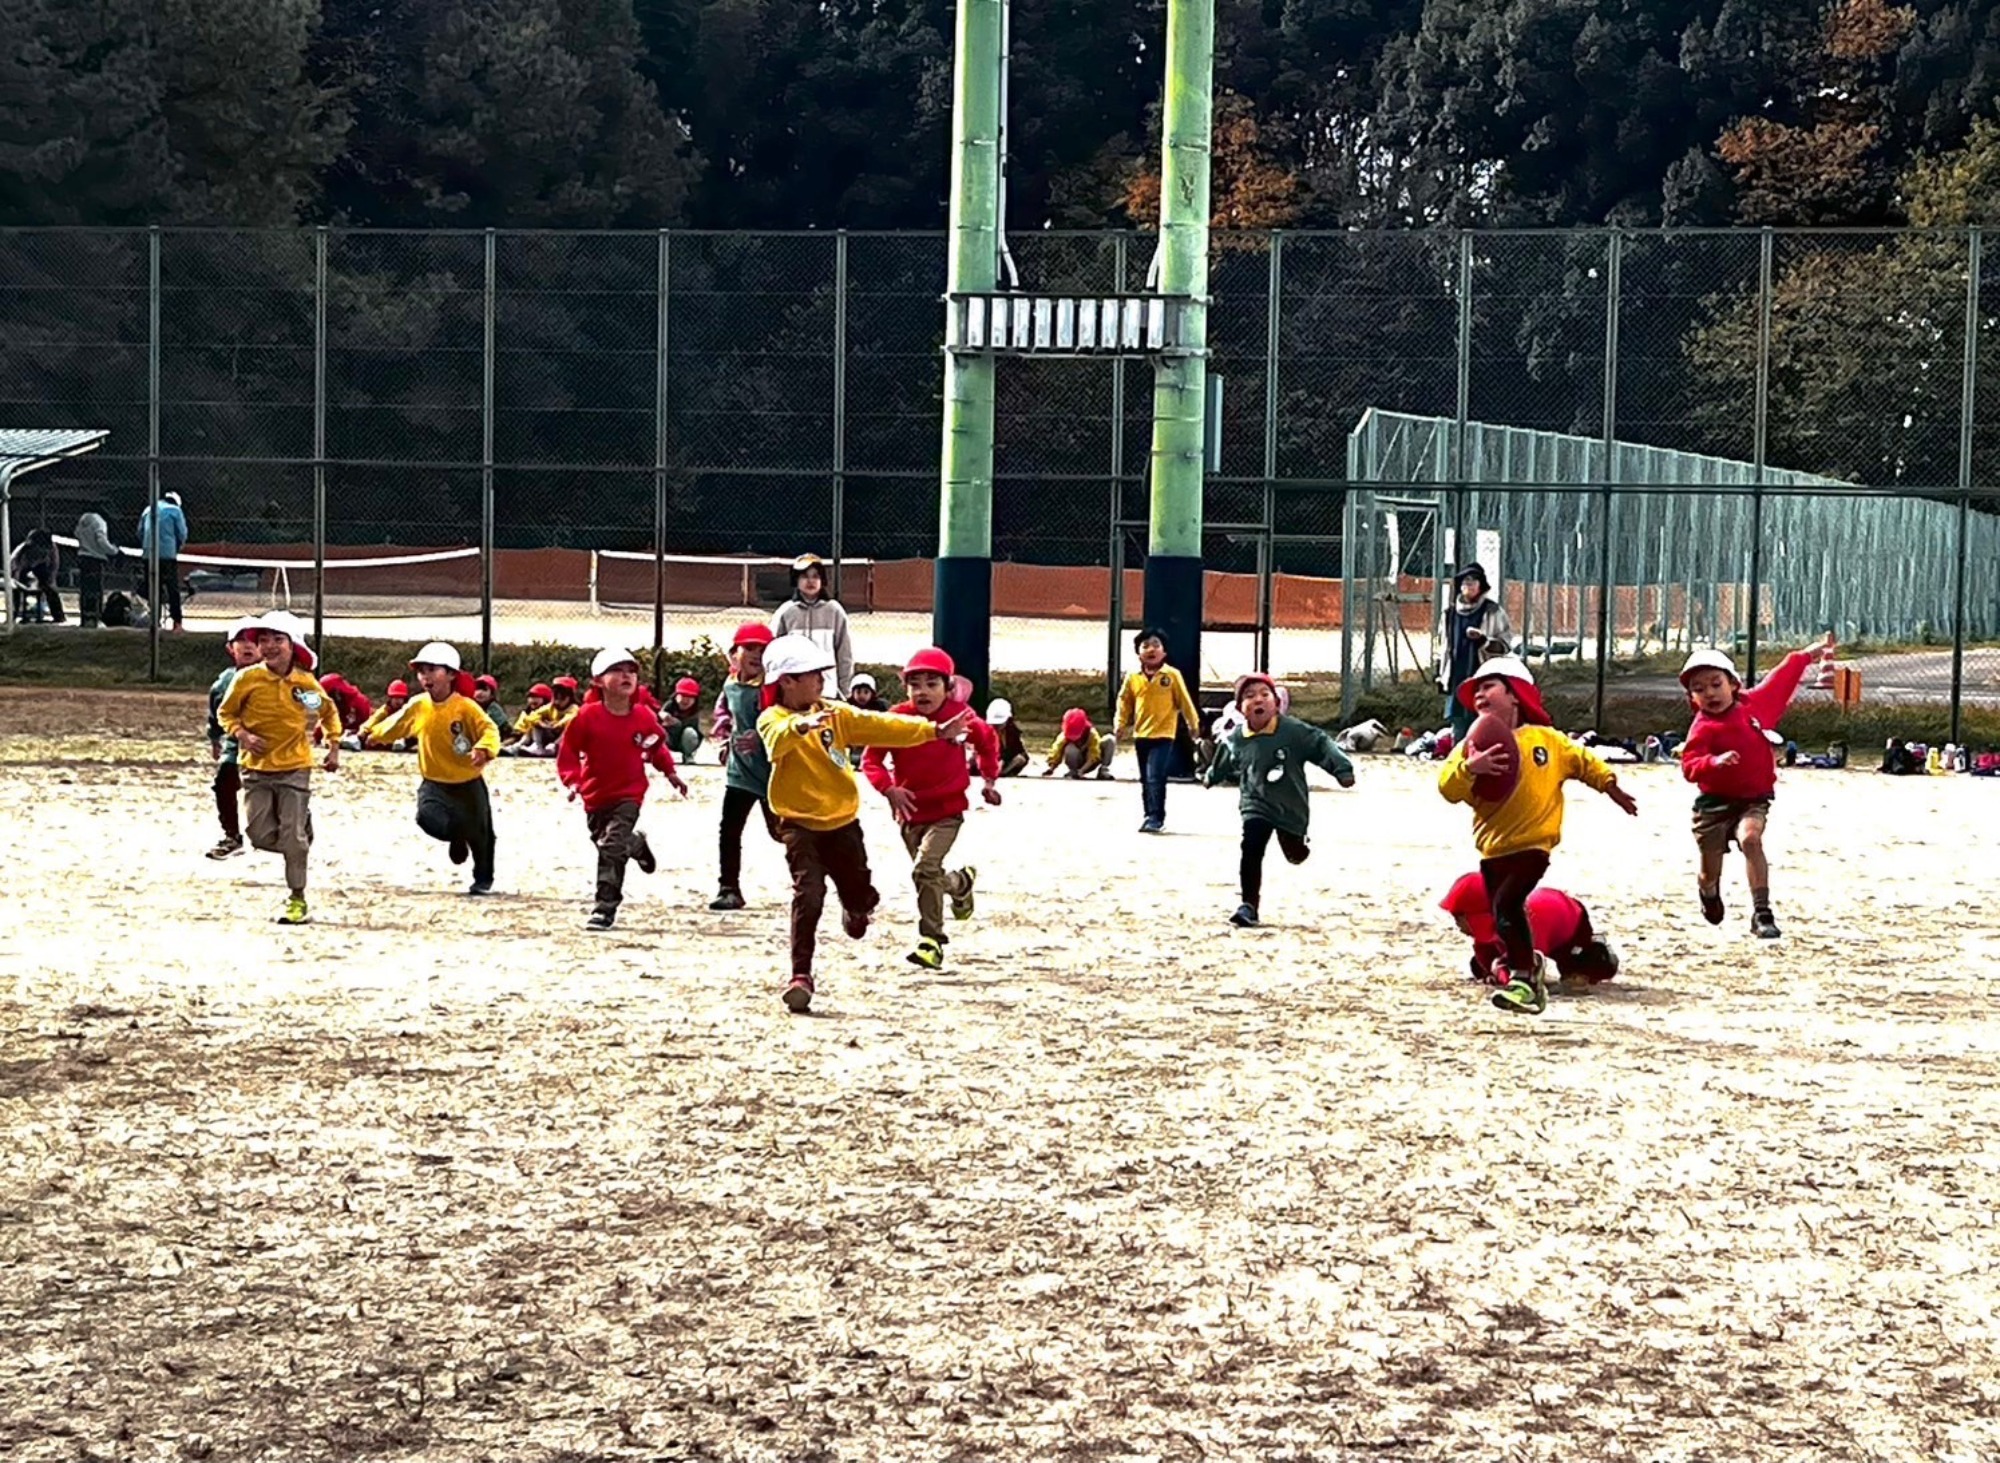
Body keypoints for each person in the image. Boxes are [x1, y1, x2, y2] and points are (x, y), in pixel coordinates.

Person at [757, 633, 966, 1013]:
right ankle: (800, 975)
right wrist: (801, 727)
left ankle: (857, 907)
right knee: (809, 894)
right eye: (812, 674)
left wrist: (934, 731)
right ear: (786, 680)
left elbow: (883, 725)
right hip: (797, 824)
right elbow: (775, 741)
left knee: (859, 894)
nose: (821, 680)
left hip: (841, 822)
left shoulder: (836, 714)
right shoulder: (773, 717)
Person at [1437, 655, 1638, 1015]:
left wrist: (1610, 785)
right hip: (1493, 849)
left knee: (1507, 907)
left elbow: (1583, 760)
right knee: (1504, 915)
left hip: (1533, 845)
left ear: (1516, 695)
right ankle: (1534, 966)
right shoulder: (1471, 744)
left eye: (1489, 687)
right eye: (1476, 690)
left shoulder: (1546, 740)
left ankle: (1524, 978)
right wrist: (1471, 767)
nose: (1480, 695)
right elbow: (1447, 788)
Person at [1679, 634, 1835, 939]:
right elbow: (1690, 766)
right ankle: (1708, 891)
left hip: (1753, 799)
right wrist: (1713, 762)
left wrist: (1805, 655)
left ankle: (1762, 913)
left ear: (1733, 685)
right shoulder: (1702, 727)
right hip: (1712, 805)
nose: (1709, 692)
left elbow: (1780, 680)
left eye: (1715, 683)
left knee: (1751, 839)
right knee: (1710, 871)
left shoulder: (1755, 707)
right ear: (1692, 700)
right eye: (1698, 689)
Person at [860, 647, 1001, 971]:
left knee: (923, 871)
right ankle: (961, 884)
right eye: (915, 684)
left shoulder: (962, 718)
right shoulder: (897, 717)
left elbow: (987, 742)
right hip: (909, 813)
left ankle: (931, 942)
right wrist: (889, 789)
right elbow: (871, 760)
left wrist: (989, 780)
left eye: (931, 684)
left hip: (947, 811)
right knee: (931, 877)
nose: (922, 691)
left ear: (948, 687)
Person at [216, 610, 341, 924]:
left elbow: (326, 711)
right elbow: (225, 714)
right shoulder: (248, 679)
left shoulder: (302, 685)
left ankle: (296, 898)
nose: (269, 646)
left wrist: (334, 745)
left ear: (293, 645)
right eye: (264, 640)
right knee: (259, 835)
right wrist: (243, 734)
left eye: (278, 640)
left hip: (295, 768)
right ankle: (300, 829)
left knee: (293, 840)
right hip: (255, 770)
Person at [1203, 673, 1355, 928]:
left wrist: (1342, 770)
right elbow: (1224, 757)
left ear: (1276, 702)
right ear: (1241, 708)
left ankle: (1298, 845)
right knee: (1250, 848)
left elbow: (1321, 744)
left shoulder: (1292, 731)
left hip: (1290, 805)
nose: (1257, 700)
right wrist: (1211, 775)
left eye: (1264, 695)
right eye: (1249, 697)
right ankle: (1248, 905)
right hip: (1255, 804)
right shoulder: (1237, 737)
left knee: (1295, 853)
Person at [558, 647, 689, 930]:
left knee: (611, 847)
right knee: (609, 844)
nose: (626, 676)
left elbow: (656, 746)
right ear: (598, 681)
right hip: (595, 797)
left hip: (629, 794)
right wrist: (572, 781)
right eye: (616, 671)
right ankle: (636, 844)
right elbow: (568, 753)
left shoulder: (643, 716)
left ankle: (604, 908)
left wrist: (670, 773)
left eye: (631, 671)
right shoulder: (586, 717)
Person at [364, 643, 503, 895]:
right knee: (427, 819)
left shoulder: (466, 707)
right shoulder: (419, 705)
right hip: (434, 783)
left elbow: (489, 730)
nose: (425, 676)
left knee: (482, 836)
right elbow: (398, 724)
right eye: (421, 671)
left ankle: (483, 879)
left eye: (432, 670)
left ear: (451, 674)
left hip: (468, 782)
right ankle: (456, 837)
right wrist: (374, 733)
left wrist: (483, 749)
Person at [710, 623, 782, 910]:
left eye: (763, 649)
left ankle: (812, 876)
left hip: (773, 771)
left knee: (782, 831)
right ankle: (728, 887)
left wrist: (761, 737)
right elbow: (724, 710)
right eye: (749, 648)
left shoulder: (774, 686)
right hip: (740, 772)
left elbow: (782, 720)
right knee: (729, 829)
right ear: (734, 654)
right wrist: (725, 737)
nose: (756, 655)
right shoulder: (731, 683)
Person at [1439, 874, 1622, 986]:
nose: (1457, 925)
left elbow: (1526, 966)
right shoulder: (1494, 921)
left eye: (1460, 919)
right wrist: (1489, 971)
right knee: (1480, 966)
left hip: (1569, 924)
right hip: (1542, 917)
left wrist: (1500, 973)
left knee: (1580, 971)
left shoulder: (1525, 924)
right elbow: (1485, 952)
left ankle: (1597, 949)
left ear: (1480, 917)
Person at [1114, 628, 1200, 832]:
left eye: (1156, 645)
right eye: (1145, 646)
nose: (1151, 649)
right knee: (1145, 778)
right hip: (1141, 734)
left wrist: (1193, 723)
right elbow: (1124, 701)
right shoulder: (1133, 677)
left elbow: (1184, 701)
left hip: (1164, 734)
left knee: (1155, 775)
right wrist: (1120, 723)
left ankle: (1156, 817)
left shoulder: (1171, 675)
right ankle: (1148, 814)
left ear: (1164, 651)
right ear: (1138, 653)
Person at [203, 617, 263, 859]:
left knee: (274, 787)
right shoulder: (225, 681)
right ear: (231, 648)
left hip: (268, 744)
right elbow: (216, 712)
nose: (247, 646)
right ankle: (231, 836)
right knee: (224, 782)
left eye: (253, 641)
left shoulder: (274, 676)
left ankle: (297, 821)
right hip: (235, 743)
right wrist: (215, 738)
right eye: (241, 640)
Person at [1438, 562, 1513, 740]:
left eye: (1473, 582)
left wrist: (1484, 641)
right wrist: (1441, 673)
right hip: (1457, 675)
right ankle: (1459, 758)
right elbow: (1442, 646)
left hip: (1483, 674)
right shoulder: (1449, 614)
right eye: (1465, 583)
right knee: (1458, 721)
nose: (1468, 586)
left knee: (1483, 719)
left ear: (1481, 586)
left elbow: (1506, 644)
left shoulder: (1493, 611)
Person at [769, 552, 854, 697]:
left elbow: (844, 654)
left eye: (815, 576)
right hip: (794, 692)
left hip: (827, 692)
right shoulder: (786, 612)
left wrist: (844, 690)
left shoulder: (834, 611)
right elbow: (773, 652)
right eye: (805, 576)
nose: (810, 581)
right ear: (796, 580)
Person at [136, 491, 189, 632]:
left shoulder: (148, 509)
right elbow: (182, 533)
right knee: (173, 589)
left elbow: (140, 531)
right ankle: (177, 623)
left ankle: (155, 621)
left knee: (154, 588)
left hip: (149, 555)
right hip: (167, 555)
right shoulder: (175, 511)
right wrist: (177, 547)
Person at [1042, 708, 1115, 779]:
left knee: (1110, 739)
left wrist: (1082, 771)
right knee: (1070, 748)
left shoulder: (1091, 734)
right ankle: (1073, 771)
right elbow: (1056, 752)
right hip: (1076, 762)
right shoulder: (1063, 736)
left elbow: (1094, 755)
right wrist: (1051, 769)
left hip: (1090, 763)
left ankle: (1104, 770)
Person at [8, 529, 62, 623]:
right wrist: (16, 577)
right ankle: (14, 614)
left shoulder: (51, 547)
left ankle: (58, 616)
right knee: (16, 590)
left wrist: (51, 579)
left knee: (50, 589)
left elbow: (54, 565)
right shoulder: (23, 549)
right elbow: (13, 563)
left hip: (41, 567)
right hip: (24, 567)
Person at [74, 509, 114, 628]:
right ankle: (95, 618)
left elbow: (76, 533)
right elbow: (101, 540)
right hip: (95, 559)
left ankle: (84, 618)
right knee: (96, 590)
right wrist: (113, 551)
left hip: (82, 557)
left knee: (85, 590)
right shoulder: (100, 522)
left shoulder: (83, 519)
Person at [352, 680, 414, 751]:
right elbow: (373, 720)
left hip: (403, 735)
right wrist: (363, 731)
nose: (397, 701)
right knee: (371, 734)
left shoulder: (408, 710)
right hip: (387, 735)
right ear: (390, 698)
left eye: (400, 698)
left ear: (404, 699)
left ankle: (401, 742)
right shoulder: (386, 710)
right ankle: (356, 741)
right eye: (395, 697)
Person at [661, 676, 705, 763]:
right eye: (683, 696)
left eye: (690, 697)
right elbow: (661, 713)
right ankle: (658, 755)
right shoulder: (670, 705)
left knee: (690, 732)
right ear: (676, 696)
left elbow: (696, 731)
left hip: (684, 740)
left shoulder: (694, 713)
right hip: (669, 738)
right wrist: (664, 717)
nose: (686, 700)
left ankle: (688, 755)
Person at [316, 673, 374, 738]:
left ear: (336, 692)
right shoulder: (333, 704)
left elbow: (364, 724)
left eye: (328, 694)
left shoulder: (359, 702)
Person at [985, 699, 1031, 776]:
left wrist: (1004, 760)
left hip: (1005, 762)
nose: (998, 726)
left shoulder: (1012, 732)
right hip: (988, 761)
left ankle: (1003, 773)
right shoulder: (985, 730)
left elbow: (1020, 751)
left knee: (1020, 759)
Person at [473, 675, 511, 739]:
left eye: (484, 689)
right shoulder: (471, 706)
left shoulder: (494, 710)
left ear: (492, 694)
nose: (479, 693)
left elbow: (506, 731)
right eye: (477, 689)